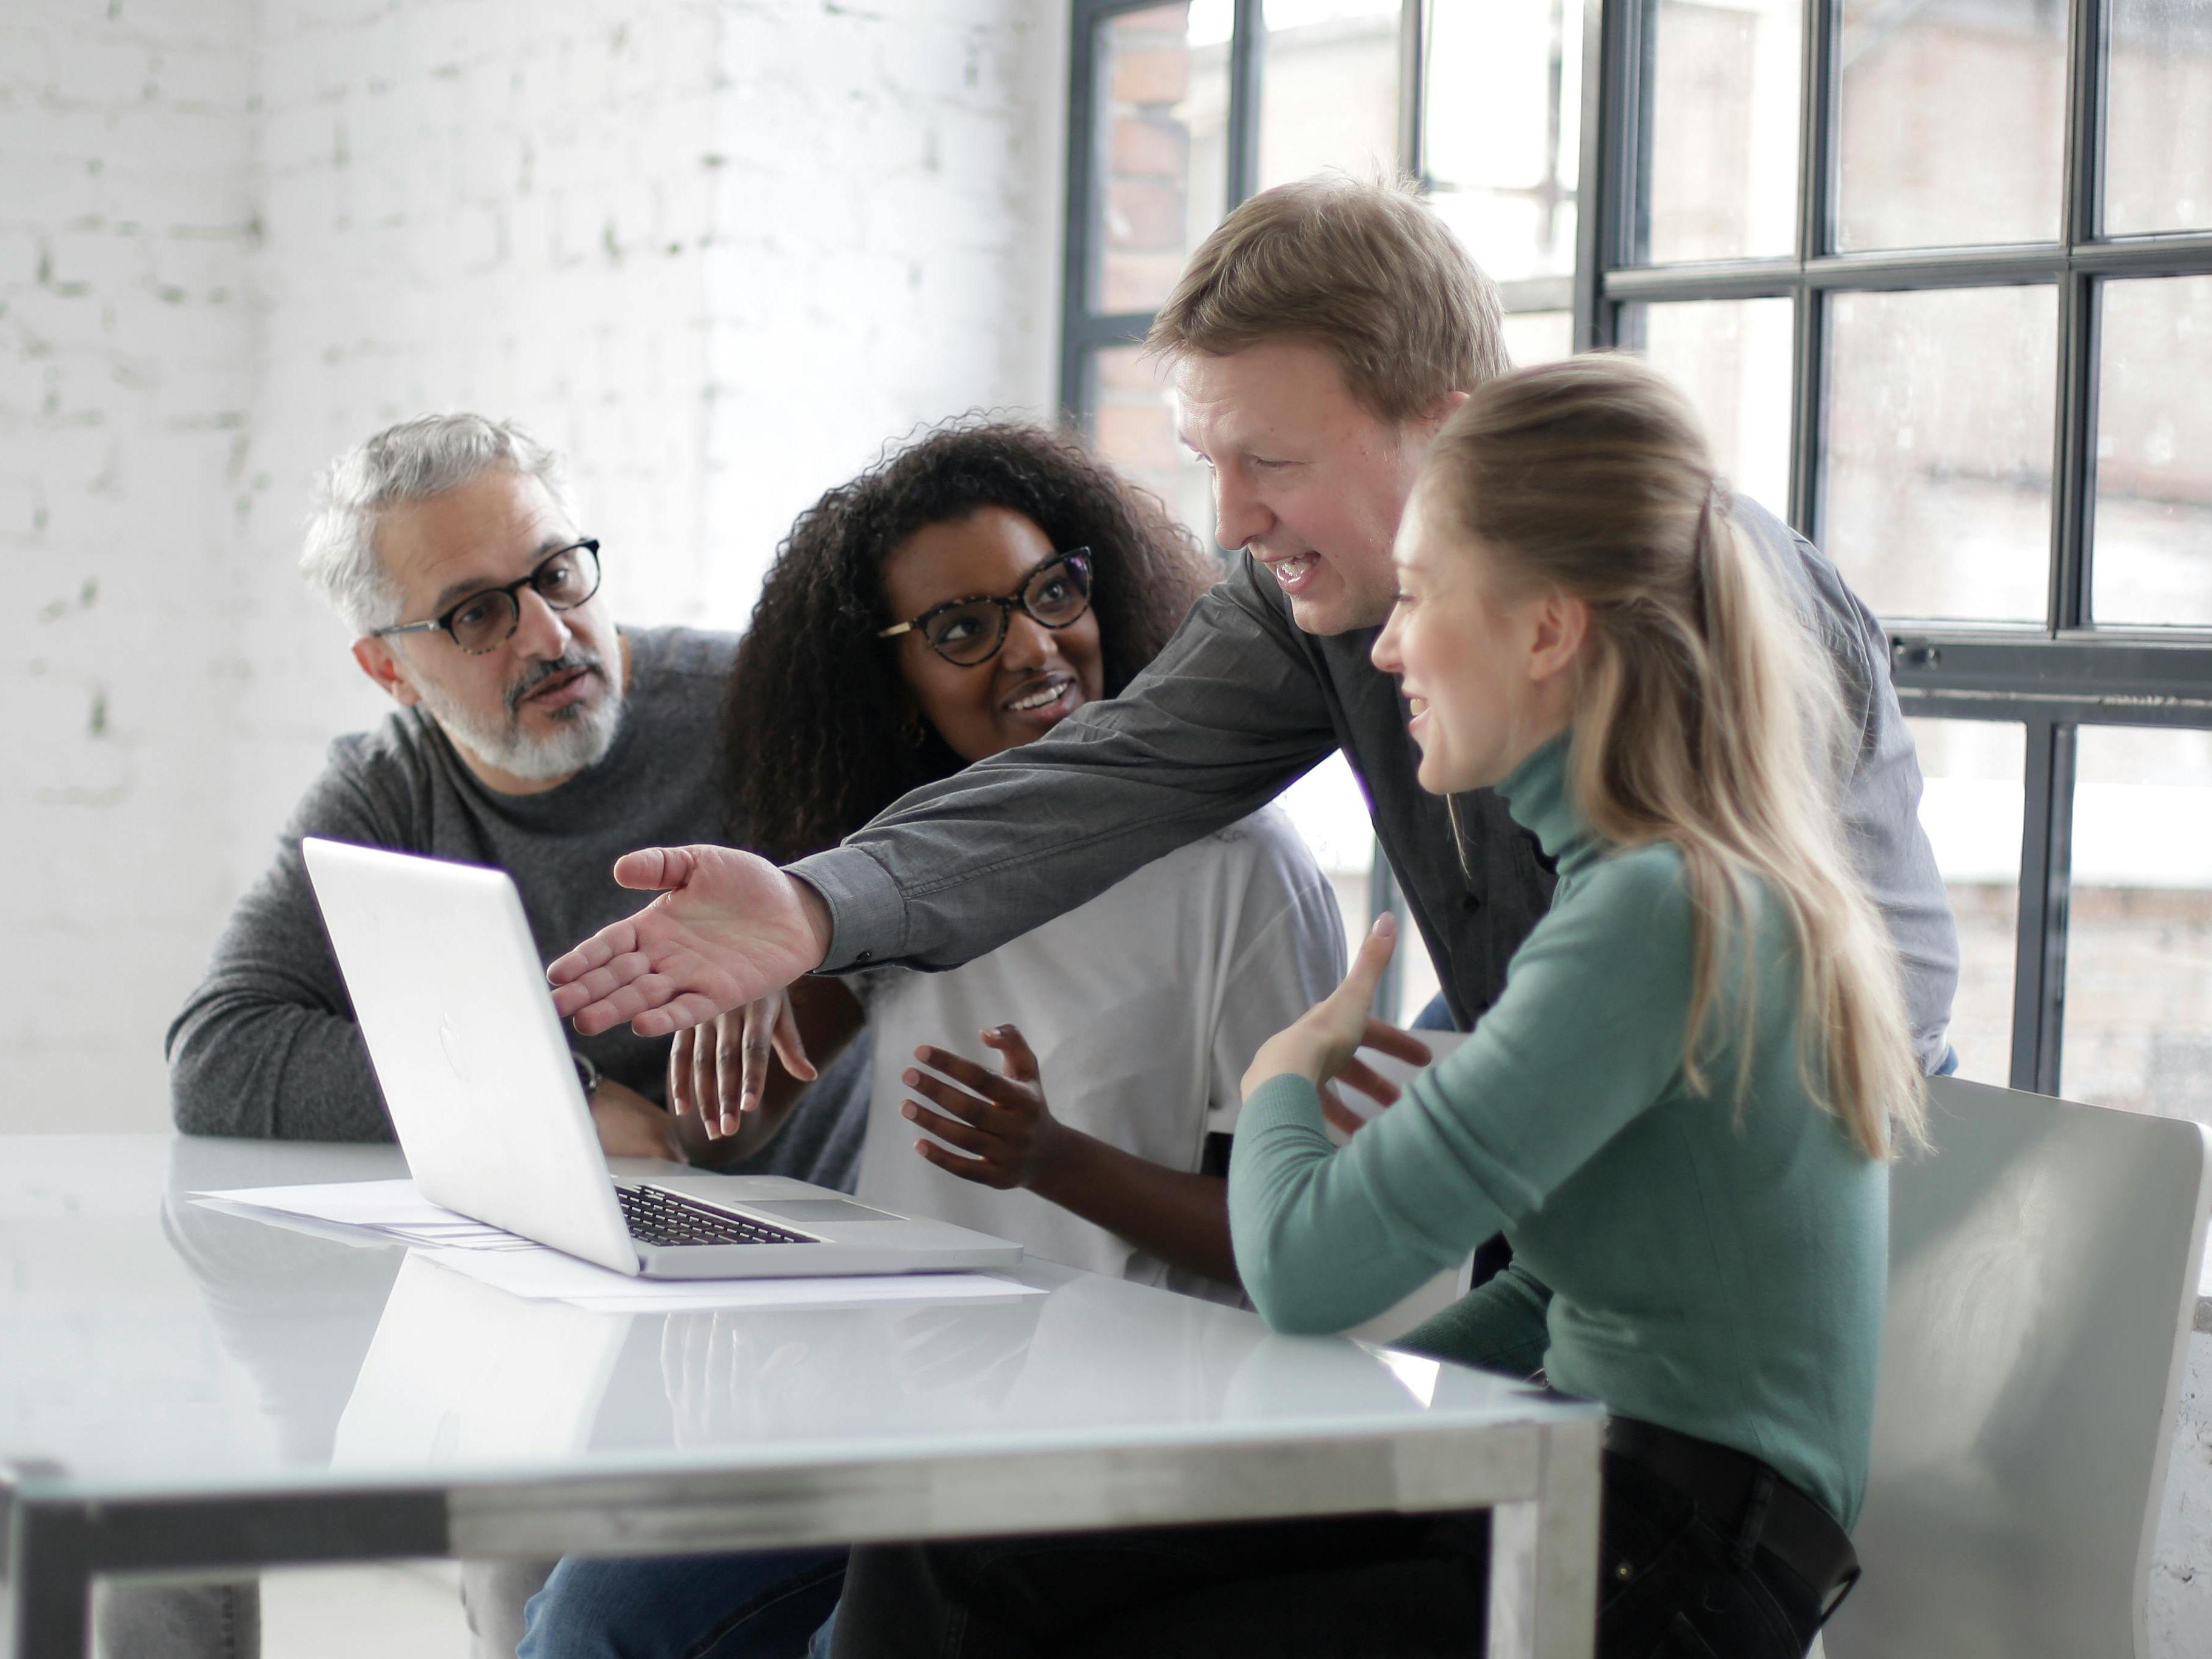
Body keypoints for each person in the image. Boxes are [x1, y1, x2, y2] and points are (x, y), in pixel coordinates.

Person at [830, 354, 1922, 1656]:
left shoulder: (1658, 909)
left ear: (1545, 630)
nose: (1388, 647)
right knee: (963, 1534)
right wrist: (1309, 1439)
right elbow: (1567, 1295)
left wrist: (1289, 1074)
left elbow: (1306, 1273)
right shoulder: (1642, 892)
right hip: (1575, 1488)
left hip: (1657, 1567)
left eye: (1415, 597)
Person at [542, 174, 1957, 1148]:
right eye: (1210, 464)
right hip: (1568, 1254)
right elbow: (1104, 775)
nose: (1228, 523)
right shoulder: (1309, 601)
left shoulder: (1697, 599)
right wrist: (812, 904)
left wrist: (1343, 1121)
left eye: (1270, 463)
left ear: (1447, 430)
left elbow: (1838, 1027)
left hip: (1808, 1227)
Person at [518, 418, 1347, 1659]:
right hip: (883, 1412)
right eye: (963, 629)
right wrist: (756, 993)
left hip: (1098, 1437)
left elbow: (1286, 1247)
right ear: (888, 681)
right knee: (586, 1616)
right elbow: (728, 1126)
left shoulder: (1244, 870)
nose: (1033, 646)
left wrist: (1052, 1159)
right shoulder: (897, 864)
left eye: (1050, 593)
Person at [139, 414, 868, 1659]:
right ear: (388, 669)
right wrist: (570, 1108)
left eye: (554, 573)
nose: (546, 634)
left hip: (775, 1287)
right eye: (476, 613)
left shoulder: (755, 711)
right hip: (556, 1277)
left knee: (529, 1530)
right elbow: (223, 1054)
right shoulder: (392, 783)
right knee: (161, 1488)